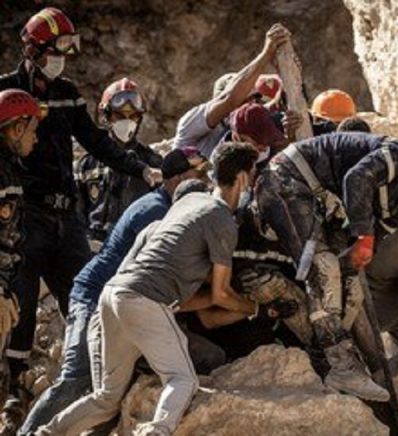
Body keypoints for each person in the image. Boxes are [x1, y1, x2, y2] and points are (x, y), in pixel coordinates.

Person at [0, 9, 162, 423]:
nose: (63, 59)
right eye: (57, 50)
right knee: (21, 302)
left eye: (69, 51)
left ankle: (94, 377)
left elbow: (94, 140)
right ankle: (14, 393)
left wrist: (138, 167)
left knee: (84, 295)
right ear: (34, 49)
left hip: (66, 215)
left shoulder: (68, 92)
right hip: (25, 216)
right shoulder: (8, 94)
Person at [38, 142, 259, 436]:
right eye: (253, 176)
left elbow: (161, 281)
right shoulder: (220, 217)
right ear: (242, 178)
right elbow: (221, 294)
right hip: (144, 301)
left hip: (113, 295)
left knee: (106, 398)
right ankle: (156, 432)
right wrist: (255, 308)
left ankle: (42, 434)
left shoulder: (181, 208)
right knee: (182, 379)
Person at [256, 132, 398, 401]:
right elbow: (356, 178)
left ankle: (325, 359)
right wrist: (364, 237)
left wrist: (357, 255)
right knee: (324, 267)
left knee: (350, 288)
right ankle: (340, 365)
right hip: (287, 178)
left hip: (322, 203)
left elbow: (384, 229)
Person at [20, 148, 210, 434]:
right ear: (179, 179)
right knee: (77, 376)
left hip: (119, 299)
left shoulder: (165, 206)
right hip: (94, 295)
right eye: (199, 176)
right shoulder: (157, 212)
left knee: (110, 391)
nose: (205, 185)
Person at [172, 24, 290, 158]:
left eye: (254, 100)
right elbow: (230, 100)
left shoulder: (251, 123)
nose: (250, 105)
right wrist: (266, 54)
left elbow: (278, 105)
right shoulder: (192, 122)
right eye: (244, 100)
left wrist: (287, 73)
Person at [76, 78, 162, 243]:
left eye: (133, 116)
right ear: (105, 116)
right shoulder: (88, 163)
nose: (127, 121)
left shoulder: (153, 163)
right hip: (92, 247)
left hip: (132, 248)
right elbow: (77, 213)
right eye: (119, 115)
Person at [0, 89, 44, 340]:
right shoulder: (4, 176)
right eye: (32, 131)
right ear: (17, 130)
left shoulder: (9, 169)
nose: (35, 140)